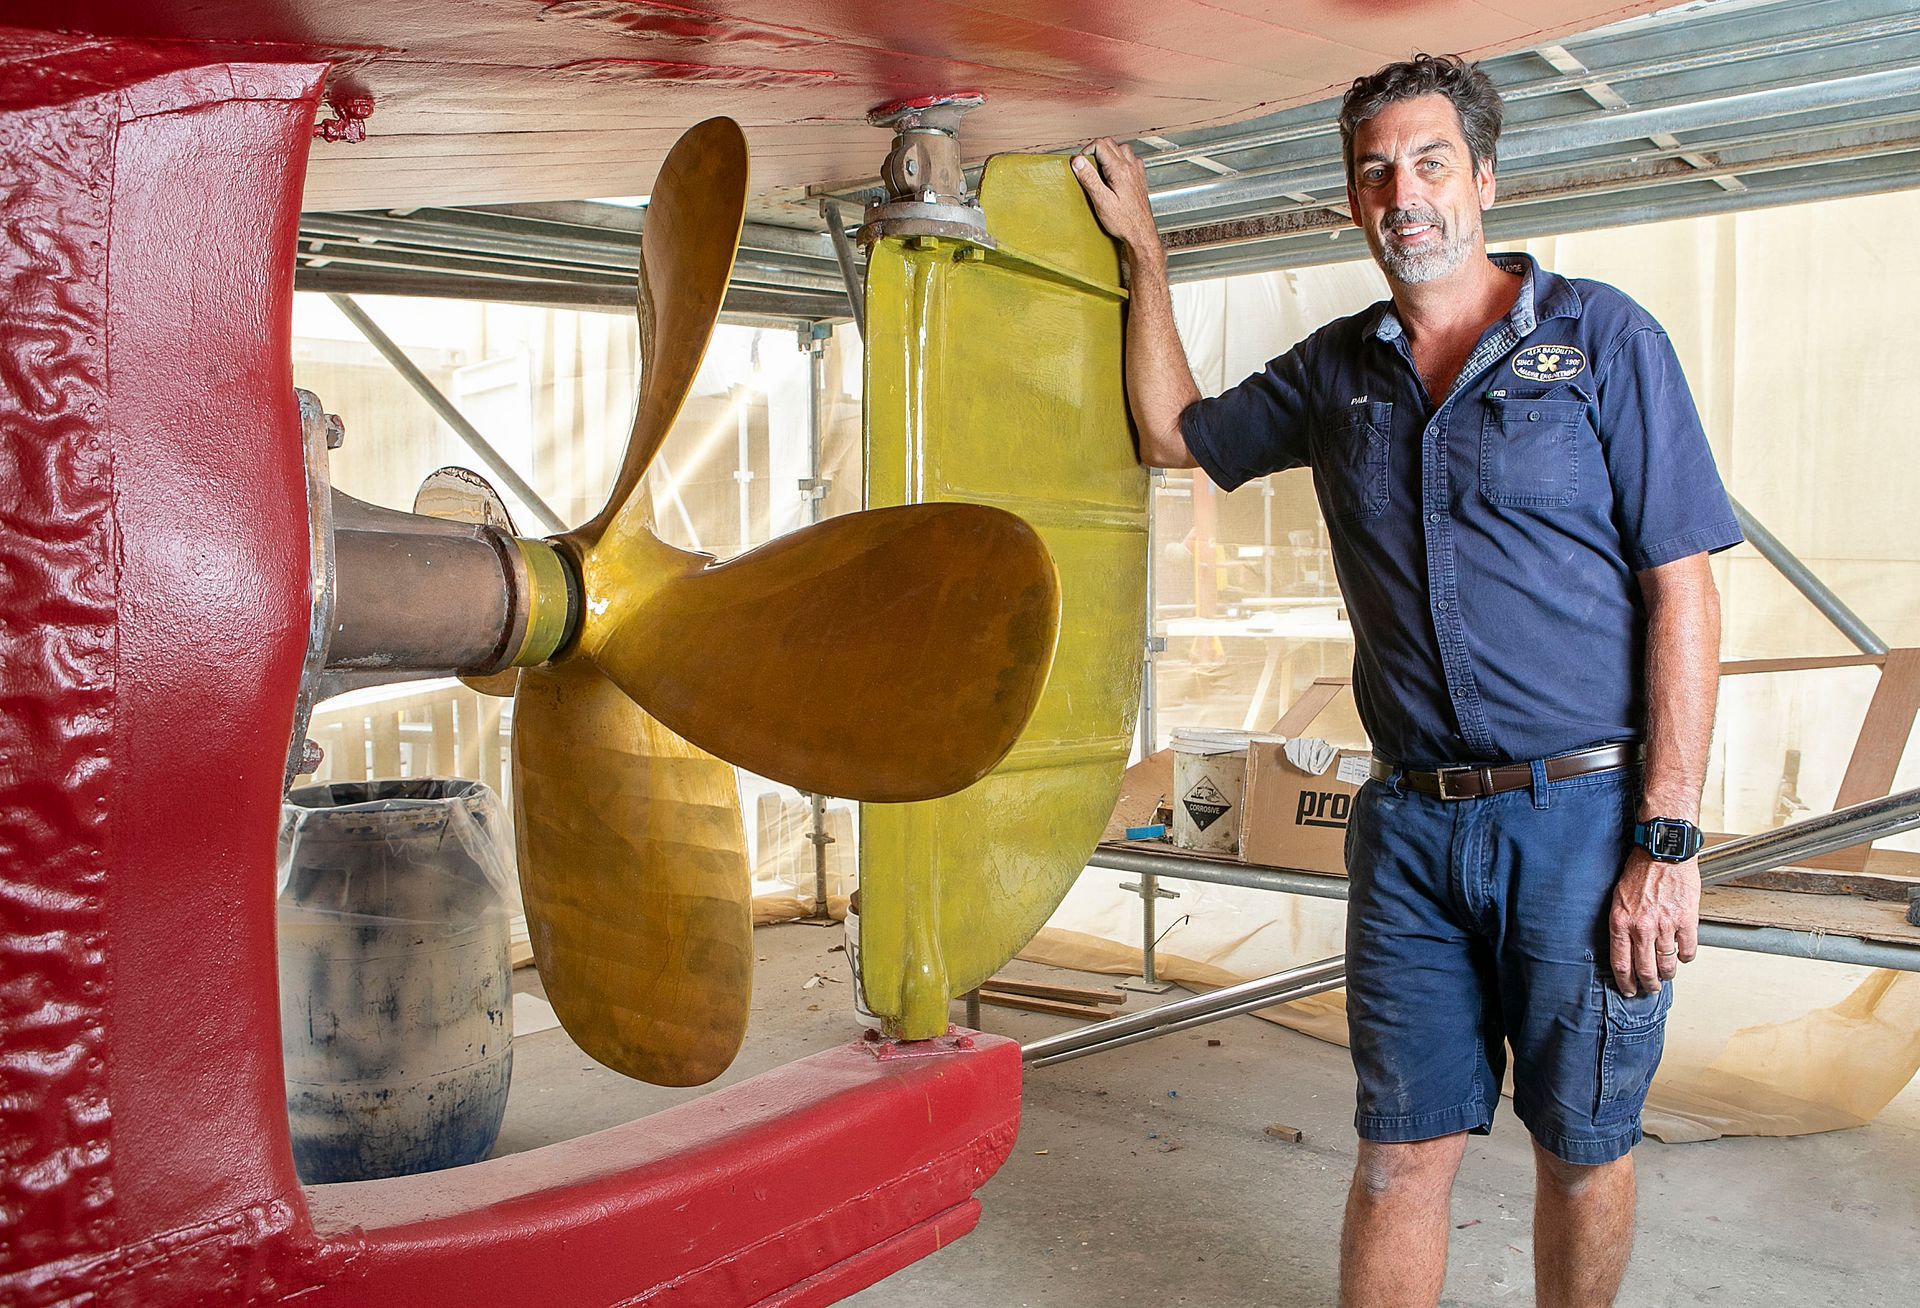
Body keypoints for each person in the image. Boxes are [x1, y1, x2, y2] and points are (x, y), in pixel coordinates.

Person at [1073, 53, 1742, 1308]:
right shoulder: (1336, 373)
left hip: (1583, 826)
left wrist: (1669, 836)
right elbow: (1175, 435)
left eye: (1431, 162)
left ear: (1484, 177)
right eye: (1375, 171)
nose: (1404, 193)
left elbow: (1686, 591)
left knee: (1583, 1150)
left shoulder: (1603, 340)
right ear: (1354, 198)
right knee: (1396, 1158)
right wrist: (1148, 259)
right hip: (1411, 830)